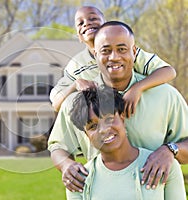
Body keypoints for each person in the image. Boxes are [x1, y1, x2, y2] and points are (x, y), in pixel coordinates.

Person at [48, 21, 188, 193]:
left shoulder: (166, 95)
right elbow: (58, 147)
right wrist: (66, 165)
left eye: (122, 49)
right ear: (95, 54)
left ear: (134, 51)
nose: (114, 57)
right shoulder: (78, 102)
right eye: (106, 51)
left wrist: (170, 150)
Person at [50, 6, 176, 118]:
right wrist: (75, 85)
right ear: (79, 37)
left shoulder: (127, 53)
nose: (86, 23)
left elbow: (168, 72)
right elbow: (56, 104)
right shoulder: (76, 65)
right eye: (80, 23)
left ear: (106, 25)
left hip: (139, 113)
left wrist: (137, 88)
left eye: (93, 19)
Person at [65, 87, 186, 200]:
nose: (103, 130)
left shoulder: (164, 166)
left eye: (109, 119)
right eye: (93, 126)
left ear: (122, 118)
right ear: (86, 135)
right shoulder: (78, 180)